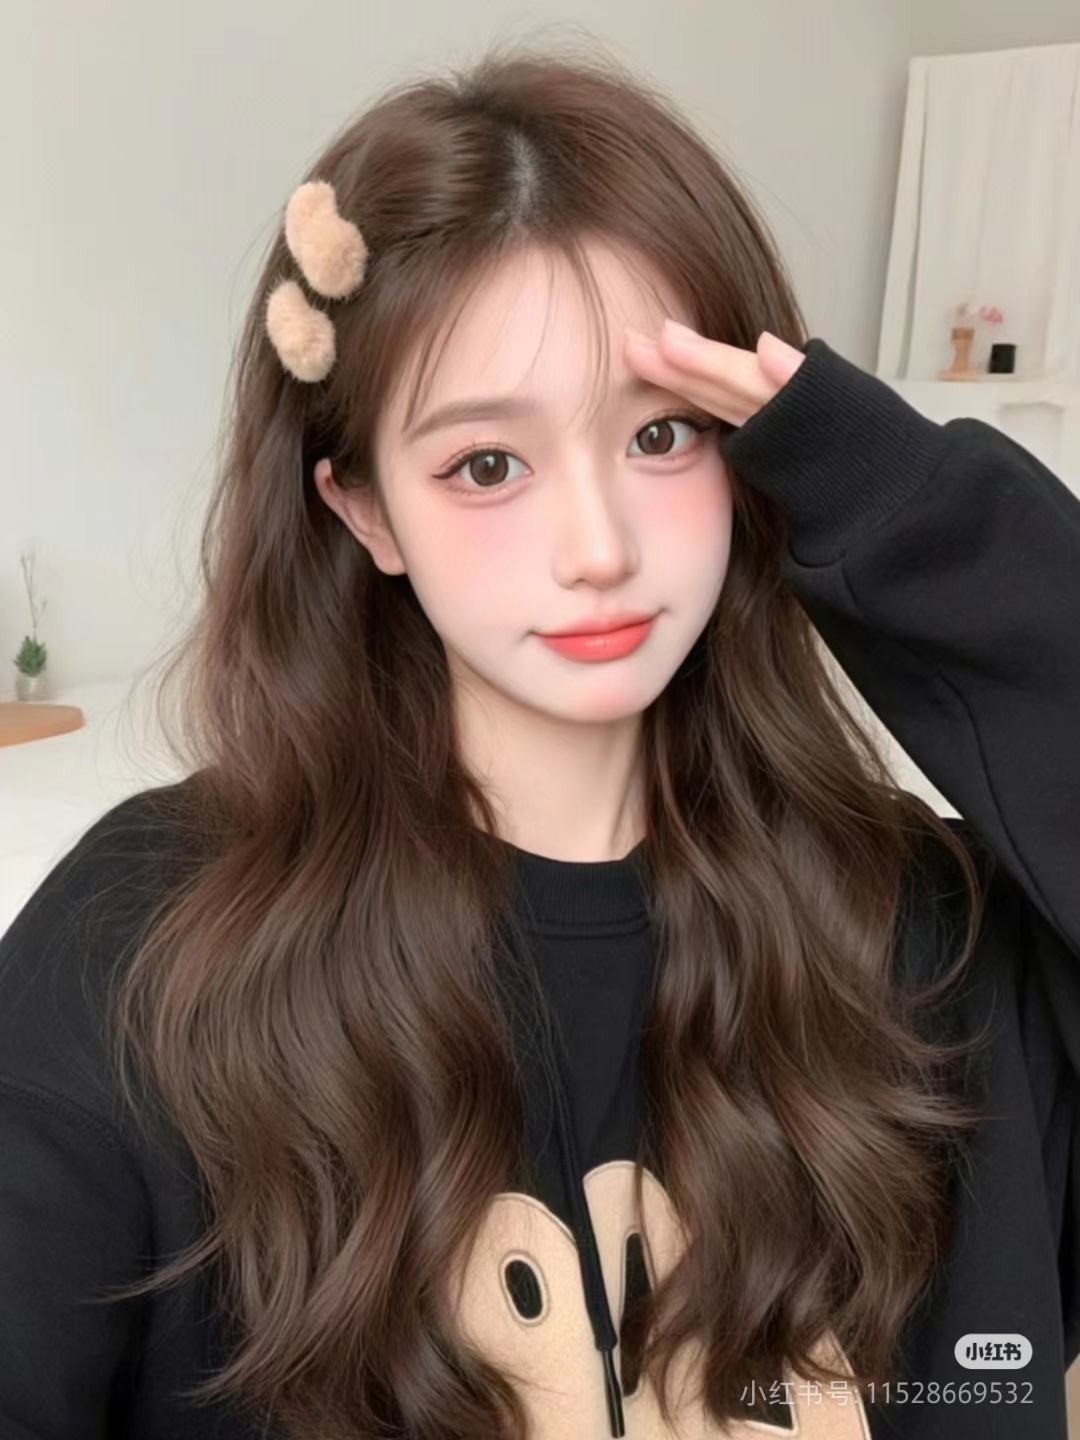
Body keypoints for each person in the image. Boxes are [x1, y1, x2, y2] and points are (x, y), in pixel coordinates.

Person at [1, 38, 1078, 1440]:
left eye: (663, 436)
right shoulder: (144, 948)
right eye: (488, 464)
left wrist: (890, 493)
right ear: (366, 511)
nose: (598, 547)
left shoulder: (930, 936)